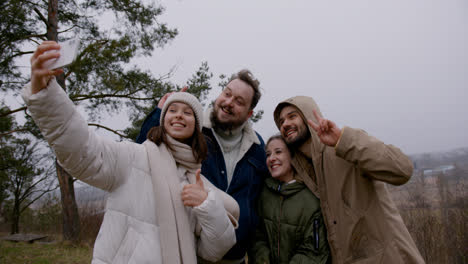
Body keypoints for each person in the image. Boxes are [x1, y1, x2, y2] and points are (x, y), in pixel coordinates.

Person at [23, 41, 240, 264]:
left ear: (196, 126)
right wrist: (46, 96)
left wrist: (207, 206)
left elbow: (214, 250)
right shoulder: (133, 157)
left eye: (187, 112)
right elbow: (83, 150)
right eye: (172, 110)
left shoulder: (198, 184)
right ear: (163, 119)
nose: (178, 115)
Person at [137, 69, 269, 263]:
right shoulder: (193, 129)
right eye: (227, 93)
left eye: (239, 101)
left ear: (249, 113)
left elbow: (261, 202)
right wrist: (159, 113)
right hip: (192, 254)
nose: (229, 102)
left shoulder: (258, 148)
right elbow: (144, 155)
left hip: (236, 258)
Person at [273, 96, 425, 264]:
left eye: (292, 116)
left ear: (309, 116)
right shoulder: (301, 174)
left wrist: (342, 140)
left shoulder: (343, 149)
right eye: (281, 122)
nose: (285, 124)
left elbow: (402, 169)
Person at [252, 135, 330, 264]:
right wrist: (263, 259)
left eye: (278, 152)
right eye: (268, 154)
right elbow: (256, 235)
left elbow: (314, 250)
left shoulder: (311, 198)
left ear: (293, 156)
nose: (271, 158)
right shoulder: (263, 192)